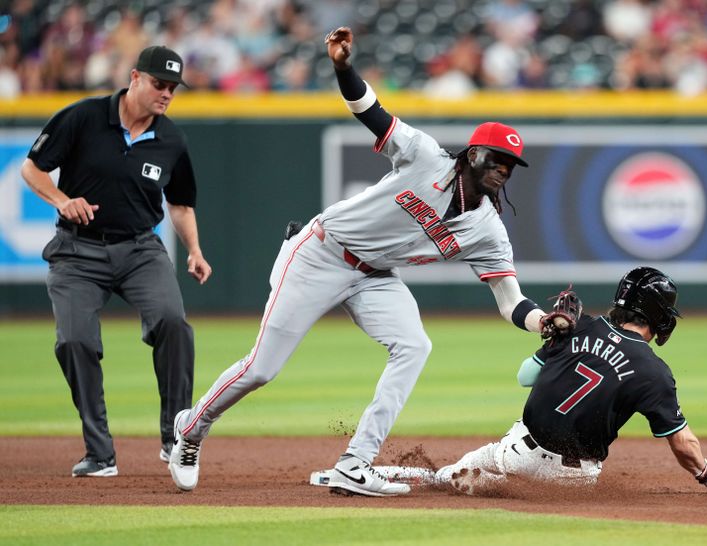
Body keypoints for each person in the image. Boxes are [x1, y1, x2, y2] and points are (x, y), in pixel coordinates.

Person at [168, 27, 558, 497]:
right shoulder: (425, 157)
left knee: (414, 346)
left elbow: (509, 299)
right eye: (498, 158)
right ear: (473, 153)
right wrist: (343, 67)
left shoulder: (488, 230)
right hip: (320, 254)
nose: (504, 169)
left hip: (374, 277)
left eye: (512, 164)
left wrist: (542, 322)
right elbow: (370, 111)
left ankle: (354, 463)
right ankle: (190, 431)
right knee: (261, 369)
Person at [21, 45, 212, 478]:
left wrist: (196, 251)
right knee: (75, 342)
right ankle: (99, 454)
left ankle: (174, 435)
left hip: (140, 249)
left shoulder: (171, 140)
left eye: (173, 88)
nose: (167, 93)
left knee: (172, 323)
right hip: (77, 251)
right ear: (135, 78)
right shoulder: (84, 118)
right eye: (160, 84)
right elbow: (32, 169)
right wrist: (62, 200)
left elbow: (180, 204)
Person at [433, 267, 707, 496]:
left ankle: (449, 479)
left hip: (516, 451)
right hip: (572, 482)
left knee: (449, 477)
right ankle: (491, 486)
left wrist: (551, 343)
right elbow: (682, 443)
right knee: (490, 489)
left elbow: (525, 377)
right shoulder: (654, 372)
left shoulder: (578, 327)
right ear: (659, 315)